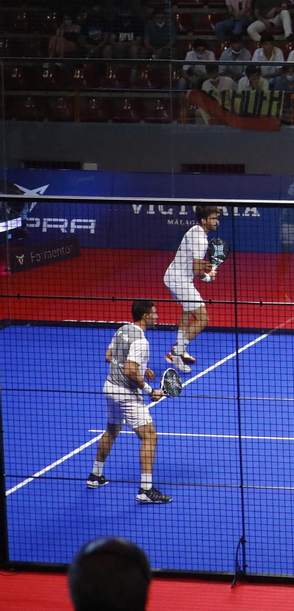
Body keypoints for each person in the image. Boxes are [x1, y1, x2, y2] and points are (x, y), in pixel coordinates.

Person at [89, 303, 170, 504]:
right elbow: (129, 371)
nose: (157, 316)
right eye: (154, 313)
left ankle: (95, 476)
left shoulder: (122, 329)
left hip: (109, 388)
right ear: (145, 316)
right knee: (150, 437)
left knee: (112, 430)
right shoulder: (142, 342)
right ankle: (146, 489)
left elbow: (109, 357)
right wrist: (150, 390)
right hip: (127, 394)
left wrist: (142, 367)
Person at [161, 205, 220, 373]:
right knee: (203, 318)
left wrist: (206, 265)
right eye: (214, 218)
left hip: (173, 276)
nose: (217, 222)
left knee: (187, 311)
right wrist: (208, 277)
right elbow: (196, 271)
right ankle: (176, 352)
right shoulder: (201, 241)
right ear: (204, 220)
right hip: (180, 281)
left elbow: (192, 261)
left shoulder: (194, 229)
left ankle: (180, 349)